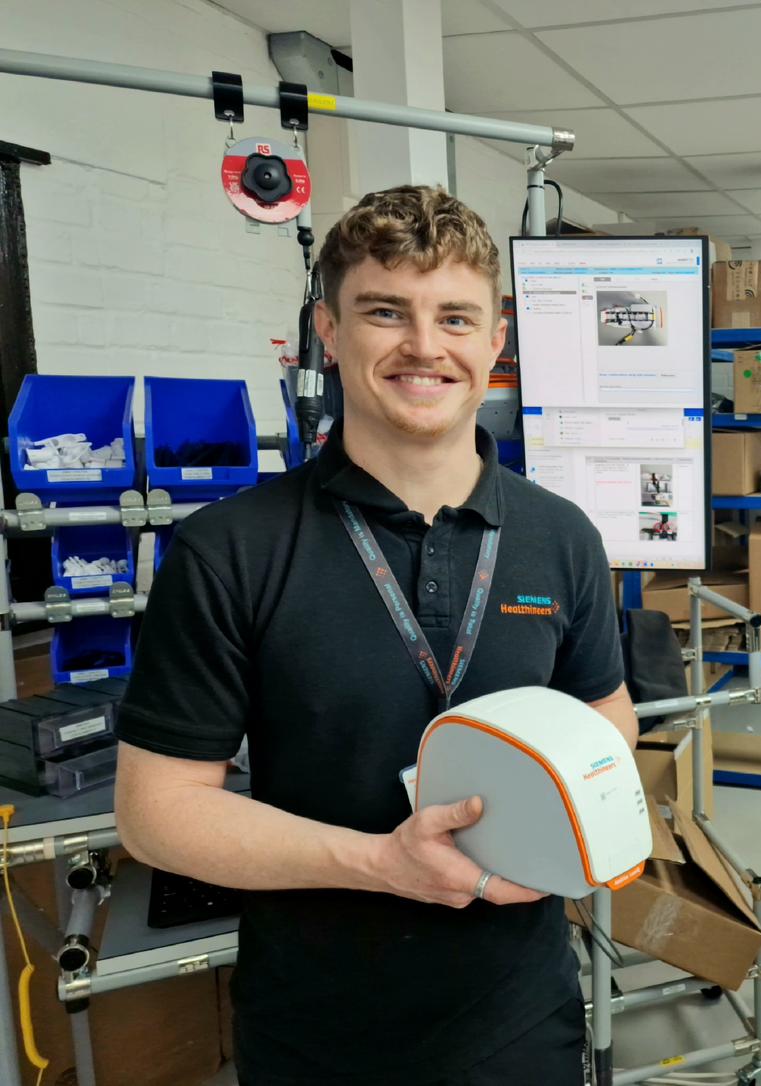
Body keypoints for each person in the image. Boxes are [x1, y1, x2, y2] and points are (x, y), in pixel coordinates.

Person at [115, 185, 636, 1086]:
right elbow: (156, 814)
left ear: (496, 340)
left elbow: (609, 719)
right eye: (385, 312)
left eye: (456, 318)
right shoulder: (228, 550)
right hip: (318, 1030)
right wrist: (380, 864)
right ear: (329, 329)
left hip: (522, 1015)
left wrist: (560, 809)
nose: (425, 347)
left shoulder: (562, 537)